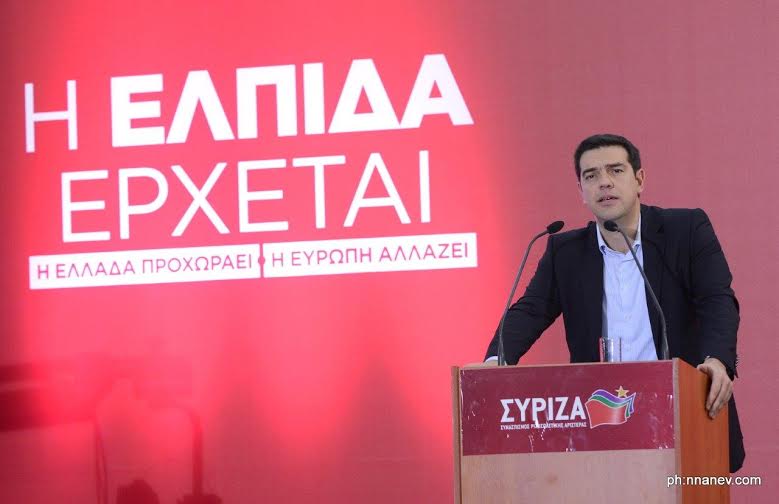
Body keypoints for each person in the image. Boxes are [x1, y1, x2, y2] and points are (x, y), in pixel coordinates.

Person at [484, 133, 745, 472]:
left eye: (615, 170)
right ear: (581, 191)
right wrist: (496, 361)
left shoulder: (685, 229)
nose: (604, 182)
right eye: (591, 175)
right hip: (604, 424)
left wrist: (717, 360)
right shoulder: (565, 252)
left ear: (640, 179)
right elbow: (531, 310)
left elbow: (716, 299)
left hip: (684, 410)